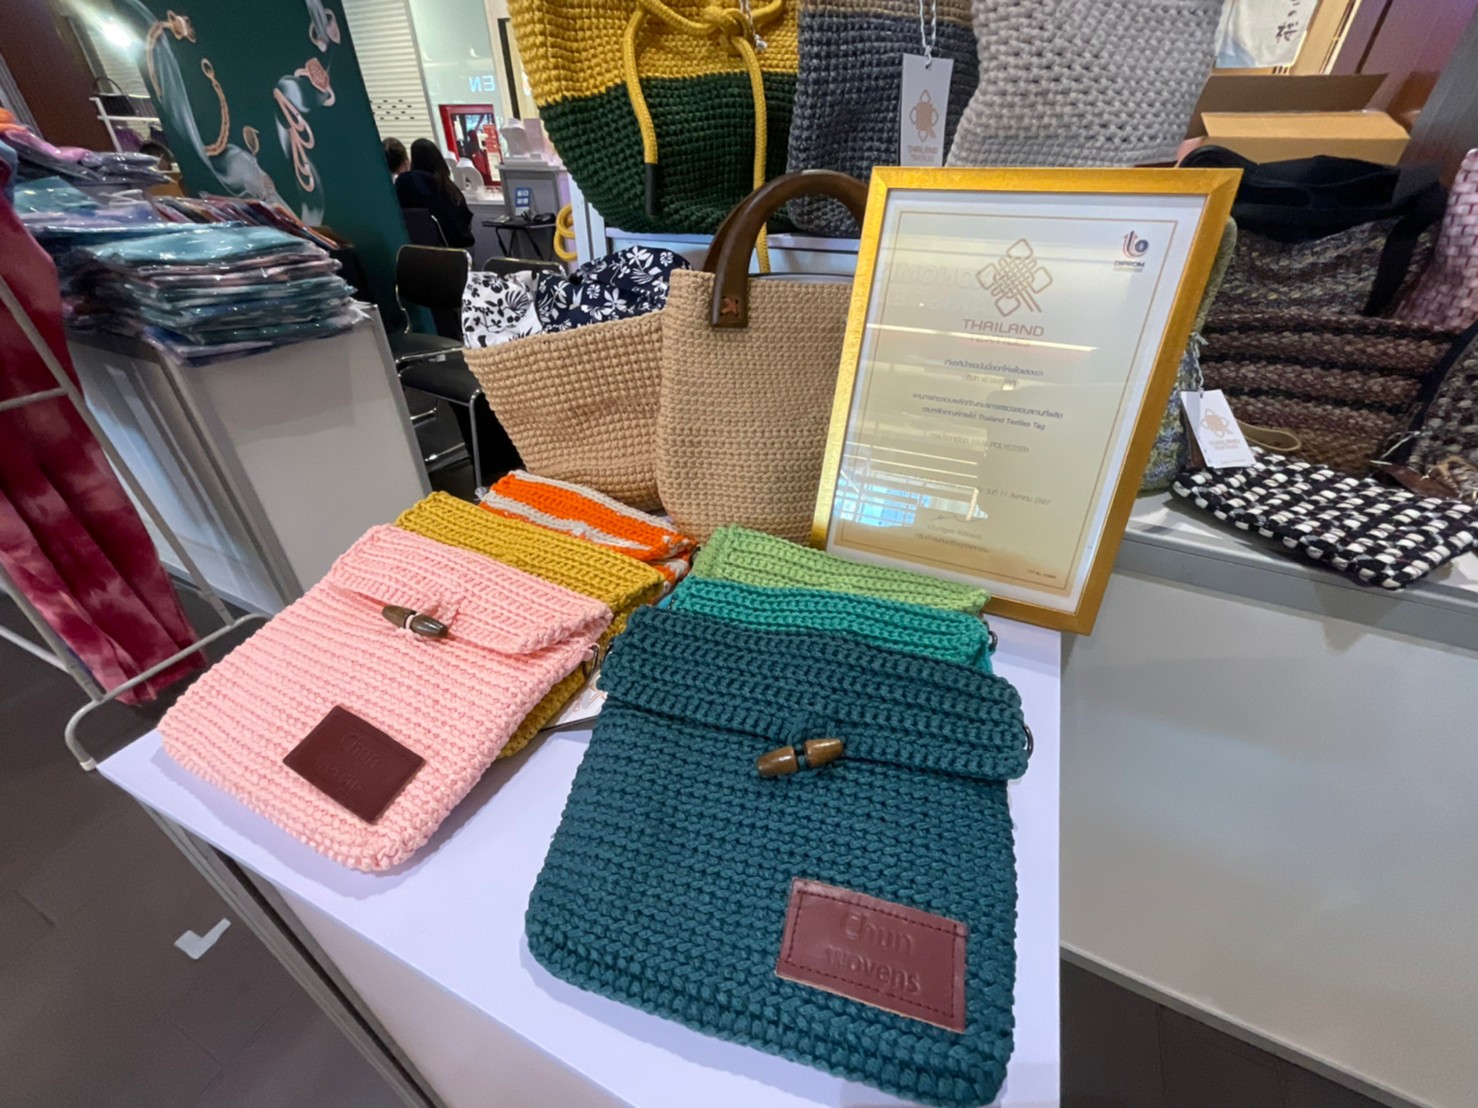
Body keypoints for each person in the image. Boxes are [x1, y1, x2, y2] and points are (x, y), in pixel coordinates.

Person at [394, 138, 475, 248]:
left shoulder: (407, 183)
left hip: (427, 246)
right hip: (460, 243)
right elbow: (466, 218)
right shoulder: (447, 185)